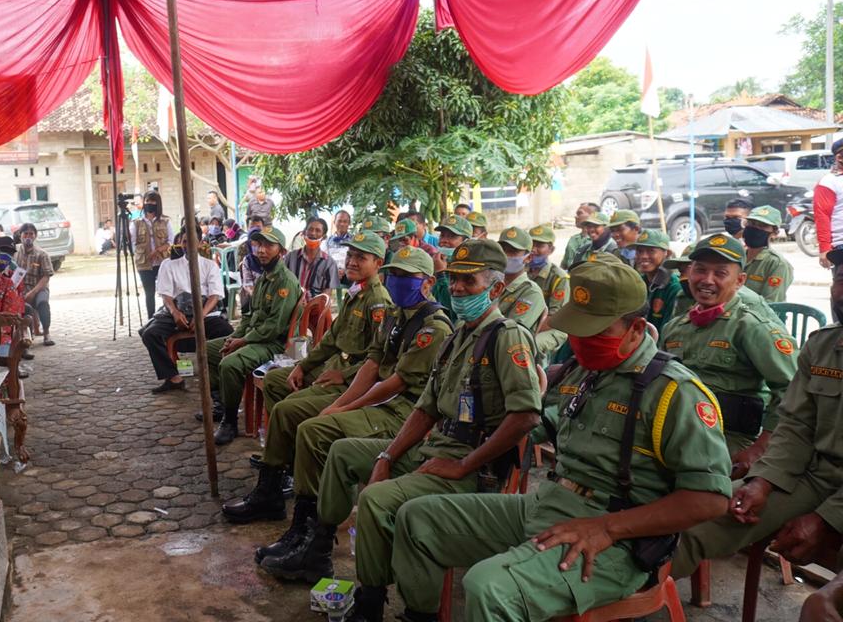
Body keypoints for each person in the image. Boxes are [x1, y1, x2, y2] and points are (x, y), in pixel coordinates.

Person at [386, 257, 731, 622]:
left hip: (618, 537)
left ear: (636, 329)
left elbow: (709, 500)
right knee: (417, 517)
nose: (581, 342)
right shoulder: (584, 371)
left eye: (595, 333)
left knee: (487, 587)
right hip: (551, 503)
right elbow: (538, 422)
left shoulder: (674, 393)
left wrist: (608, 527)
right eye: (576, 331)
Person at [313, 239, 544, 620]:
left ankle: (395, 607)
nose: (458, 289)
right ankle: (320, 548)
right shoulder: (456, 338)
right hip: (435, 449)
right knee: (344, 451)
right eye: (454, 280)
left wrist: (464, 465)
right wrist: (387, 456)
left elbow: (526, 416)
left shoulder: (507, 337)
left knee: (377, 500)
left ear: (495, 289)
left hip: (470, 467)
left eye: (469, 282)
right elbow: (425, 409)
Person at [250, 247, 454, 584]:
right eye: (394, 274)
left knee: (314, 431)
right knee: (312, 423)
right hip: (381, 402)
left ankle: (316, 546)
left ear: (428, 283)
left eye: (407, 276)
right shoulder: (397, 315)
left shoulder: (433, 328)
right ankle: (302, 529)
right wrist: (341, 404)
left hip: (403, 411)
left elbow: (395, 382)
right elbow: (372, 365)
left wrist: (345, 407)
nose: (397, 281)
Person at [222, 231, 394, 518]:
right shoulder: (357, 293)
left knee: (287, 410)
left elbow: (379, 360)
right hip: (332, 369)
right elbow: (330, 340)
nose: (352, 262)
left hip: (351, 382)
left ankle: (272, 489)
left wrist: (345, 376)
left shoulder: (378, 302)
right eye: (350, 255)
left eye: (361, 258)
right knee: (276, 380)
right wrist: (302, 366)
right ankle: (285, 462)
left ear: (378, 263)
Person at [673, 317, 843, 581]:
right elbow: (796, 425)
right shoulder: (823, 344)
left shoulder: (749, 323)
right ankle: (629, 596)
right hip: (814, 475)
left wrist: (829, 519)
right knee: (691, 522)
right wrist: (763, 481)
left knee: (826, 599)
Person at [660, 233, 797, 479]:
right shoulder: (675, 328)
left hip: (730, 438)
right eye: (700, 270)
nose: (707, 280)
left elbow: (793, 389)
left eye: (720, 273)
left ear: (739, 281)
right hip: (677, 431)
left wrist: (760, 448)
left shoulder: (751, 327)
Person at [205, 227, 300, 445]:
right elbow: (249, 316)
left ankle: (230, 422)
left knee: (230, 364)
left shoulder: (284, 281)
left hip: (274, 345)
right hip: (254, 337)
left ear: (281, 251)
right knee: (208, 350)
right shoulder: (264, 277)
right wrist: (234, 337)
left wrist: (243, 340)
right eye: (259, 245)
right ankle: (221, 405)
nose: (261, 250)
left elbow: (274, 327)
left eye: (269, 245)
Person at [140, 228, 233, 394]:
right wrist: (175, 313)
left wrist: (200, 316)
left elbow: (215, 295)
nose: (187, 245)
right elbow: (166, 295)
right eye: (184, 241)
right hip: (176, 311)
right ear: (179, 242)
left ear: (200, 243)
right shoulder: (168, 264)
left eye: (192, 241)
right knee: (150, 334)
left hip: (204, 312)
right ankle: (173, 377)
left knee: (227, 332)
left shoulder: (209, 265)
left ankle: (219, 376)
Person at [527, 224, 570, 360]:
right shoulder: (522, 270)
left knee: (529, 346)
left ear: (551, 250)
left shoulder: (559, 277)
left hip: (552, 328)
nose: (533, 249)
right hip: (525, 324)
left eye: (539, 246)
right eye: (531, 244)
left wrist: (526, 333)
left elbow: (554, 317)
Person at [494, 227, 546, 333]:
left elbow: (510, 333)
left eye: (512, 252)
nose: (506, 256)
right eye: (503, 250)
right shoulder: (491, 282)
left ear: (528, 258)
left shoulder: (531, 292)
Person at [131, 190, 171, 319]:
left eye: (153, 201)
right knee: (149, 293)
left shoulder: (165, 221)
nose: (150, 204)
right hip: (144, 263)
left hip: (162, 262)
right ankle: (151, 319)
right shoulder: (136, 222)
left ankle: (167, 318)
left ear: (158, 203)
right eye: (147, 201)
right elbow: (133, 243)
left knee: (166, 292)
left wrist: (158, 250)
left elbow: (171, 241)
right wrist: (143, 253)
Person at [632, 228, 682, 332]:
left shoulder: (674, 287)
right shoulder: (638, 283)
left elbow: (668, 331)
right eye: (640, 251)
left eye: (651, 251)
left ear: (667, 253)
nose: (643, 256)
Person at [816, 138, 843, 321]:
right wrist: (825, 248)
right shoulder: (829, 182)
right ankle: (837, 333)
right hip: (840, 248)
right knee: (841, 296)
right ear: (839, 157)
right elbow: (822, 215)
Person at [14, 223, 55, 346]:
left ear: (35, 236)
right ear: (20, 235)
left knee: (42, 303)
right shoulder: (15, 252)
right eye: (25, 233)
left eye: (31, 234)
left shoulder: (42, 254)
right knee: (21, 307)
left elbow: (46, 276)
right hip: (20, 288)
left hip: (39, 288)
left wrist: (33, 292)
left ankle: (46, 333)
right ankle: (26, 335)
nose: (28, 236)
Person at [742, 204, 793, 302]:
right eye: (752, 223)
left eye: (763, 226)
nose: (755, 229)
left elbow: (771, 304)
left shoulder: (777, 264)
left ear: (775, 233)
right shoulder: (736, 256)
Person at [284, 217, 338, 298]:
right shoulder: (290, 257)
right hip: (289, 302)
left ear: (324, 237)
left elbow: (326, 294)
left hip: (314, 305)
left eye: (318, 230)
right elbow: (282, 283)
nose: (313, 233)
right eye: (310, 229)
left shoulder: (330, 264)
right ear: (304, 232)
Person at [431, 215, 472, 319]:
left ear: (466, 242)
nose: (444, 240)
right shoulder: (437, 263)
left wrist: (441, 274)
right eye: (442, 235)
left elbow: (453, 308)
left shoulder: (470, 269)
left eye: (452, 236)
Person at [560, 202, 601, 269]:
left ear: (592, 215)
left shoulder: (598, 241)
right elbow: (564, 264)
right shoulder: (573, 239)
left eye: (580, 213)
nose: (576, 216)